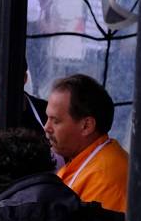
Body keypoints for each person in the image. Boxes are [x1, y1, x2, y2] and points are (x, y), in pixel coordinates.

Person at [44, 74, 129, 213]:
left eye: (56, 120)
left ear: (86, 126)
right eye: (48, 118)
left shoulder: (104, 179)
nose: (46, 127)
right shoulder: (89, 158)